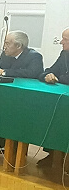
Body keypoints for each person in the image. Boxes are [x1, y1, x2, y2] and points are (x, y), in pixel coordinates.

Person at [0, 31, 44, 152]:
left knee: (15, 114)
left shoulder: (34, 56)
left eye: (7, 43)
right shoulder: (6, 55)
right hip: (6, 93)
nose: (4, 46)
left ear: (18, 46)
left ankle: (15, 146)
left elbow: (33, 73)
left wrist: (3, 72)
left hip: (25, 97)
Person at [36, 27, 69, 166]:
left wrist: (58, 78)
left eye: (65, 39)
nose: (61, 42)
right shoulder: (64, 54)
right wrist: (47, 76)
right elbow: (48, 71)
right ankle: (54, 153)